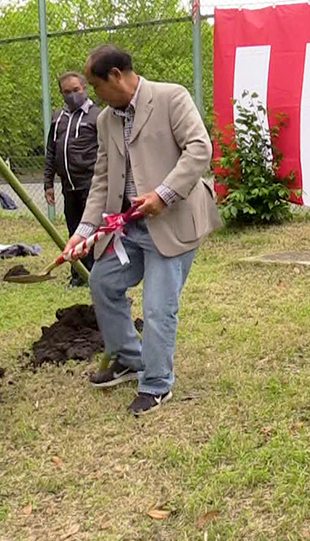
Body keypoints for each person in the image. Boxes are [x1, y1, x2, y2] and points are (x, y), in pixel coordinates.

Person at [63, 45, 221, 416]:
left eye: (94, 84)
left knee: (158, 307)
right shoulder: (106, 120)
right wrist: (84, 231)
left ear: (116, 76)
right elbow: (102, 179)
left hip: (174, 221)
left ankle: (156, 384)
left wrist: (163, 195)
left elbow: (199, 149)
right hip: (130, 228)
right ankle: (131, 360)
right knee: (103, 283)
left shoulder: (171, 98)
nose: (90, 92)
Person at [44, 71, 100, 286]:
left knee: (92, 231)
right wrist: (48, 183)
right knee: (74, 229)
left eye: (76, 90)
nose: (72, 95)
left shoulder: (97, 116)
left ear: (85, 88)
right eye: (67, 92)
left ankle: (94, 275)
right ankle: (77, 274)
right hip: (68, 185)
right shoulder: (58, 117)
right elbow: (51, 150)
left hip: (91, 184)